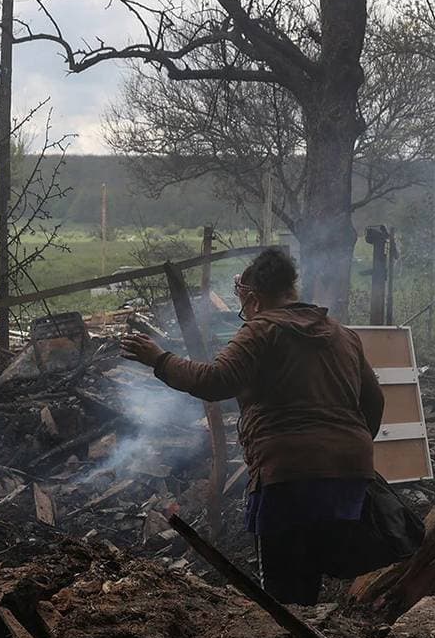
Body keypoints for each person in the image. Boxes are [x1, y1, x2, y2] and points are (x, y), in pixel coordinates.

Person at [120, 247, 384, 605]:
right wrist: (346, 449)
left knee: (283, 592)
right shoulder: (343, 334)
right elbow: (374, 402)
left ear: (254, 298)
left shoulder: (261, 331)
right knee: (317, 572)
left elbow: (215, 381)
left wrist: (159, 359)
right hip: (350, 475)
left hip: (288, 475)